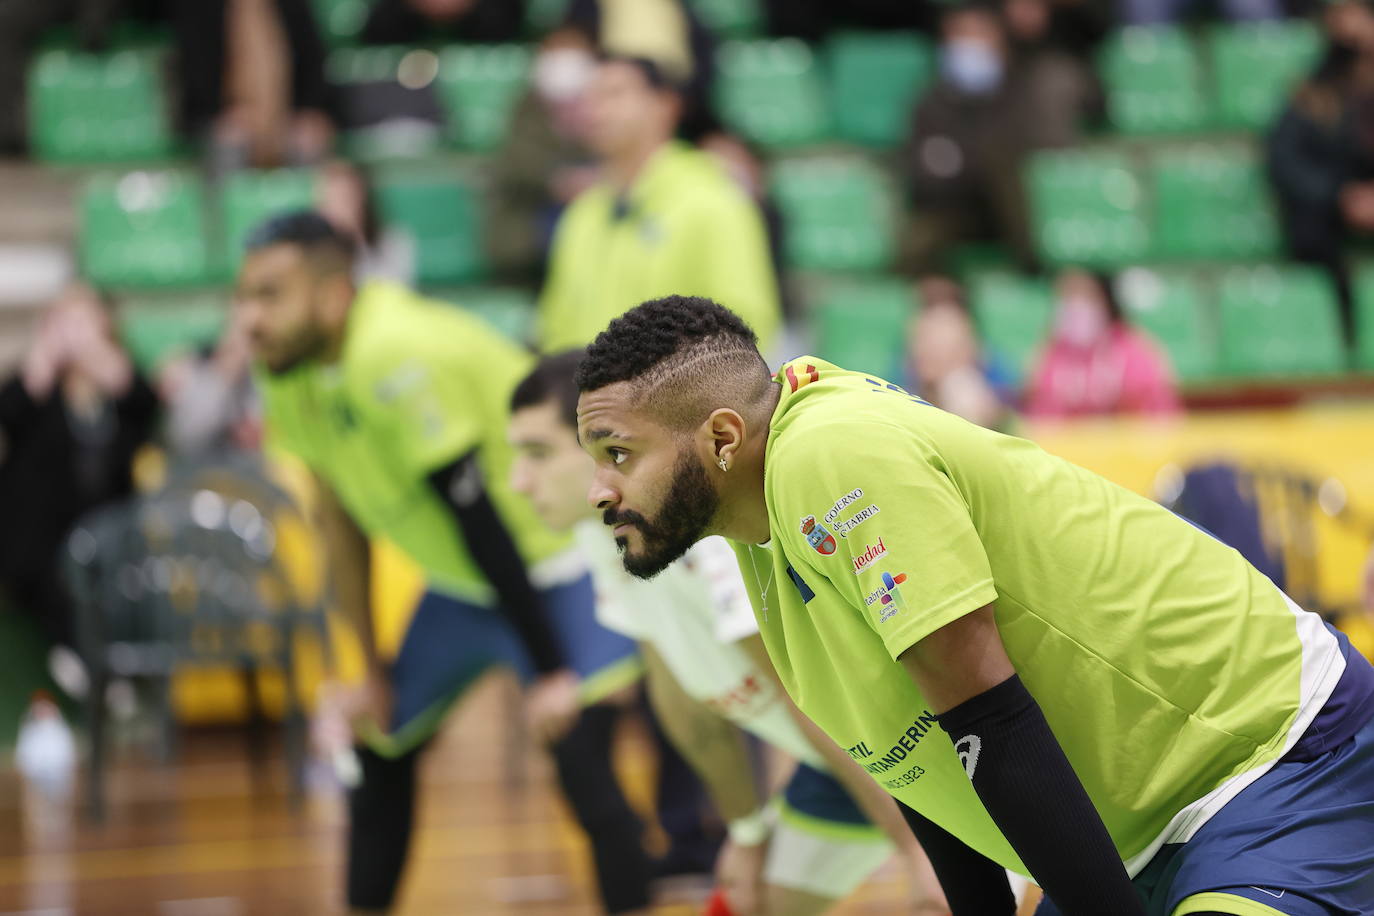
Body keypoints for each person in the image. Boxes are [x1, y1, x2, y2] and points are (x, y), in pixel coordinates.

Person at [571, 294, 1374, 916]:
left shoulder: (829, 453)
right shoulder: (758, 532)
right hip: (1141, 824)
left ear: (719, 437)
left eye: (618, 454)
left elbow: (989, 718)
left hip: (1271, 758)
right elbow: (918, 755)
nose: (598, 490)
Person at [236, 211, 651, 914]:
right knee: (380, 744)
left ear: (335, 295)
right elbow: (337, 524)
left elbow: (480, 522)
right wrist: (365, 668)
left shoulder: (394, 352)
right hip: (462, 588)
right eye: (244, 295)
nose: (249, 318)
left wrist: (550, 670)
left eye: (270, 295)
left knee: (585, 775)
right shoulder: (285, 368)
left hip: (554, 573)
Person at [506, 351, 950, 916]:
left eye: (537, 455)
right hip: (840, 769)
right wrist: (745, 830)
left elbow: (808, 699)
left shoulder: (704, 536)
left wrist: (915, 849)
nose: (517, 482)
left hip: (932, 758)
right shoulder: (602, 540)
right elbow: (681, 701)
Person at [538, 55, 780, 354]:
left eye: (614, 93)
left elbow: (745, 325)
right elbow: (556, 329)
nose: (596, 110)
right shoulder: (582, 213)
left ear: (666, 106)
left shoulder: (714, 199)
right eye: (590, 97)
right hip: (590, 397)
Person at [0, 282, 159, 682]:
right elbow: (9, 414)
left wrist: (101, 359)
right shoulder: (38, 388)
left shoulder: (118, 388)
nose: (73, 331)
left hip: (110, 530)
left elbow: (148, 406)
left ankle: (99, 667)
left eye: (82, 320)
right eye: (63, 321)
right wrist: (44, 362)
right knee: (51, 570)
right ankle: (89, 663)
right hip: (42, 538)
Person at [900, 2, 1094, 274]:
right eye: (958, 35)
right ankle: (935, 298)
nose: (968, 45)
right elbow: (924, 176)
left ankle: (1042, 277)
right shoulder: (931, 103)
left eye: (977, 33)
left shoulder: (1024, 90)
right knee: (920, 235)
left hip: (1013, 207)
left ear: (1000, 38)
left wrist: (970, 162)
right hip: (960, 209)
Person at [1266, 0, 1374, 341]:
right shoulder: (1316, 90)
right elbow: (1284, 157)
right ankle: (1337, 337)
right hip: (1335, 208)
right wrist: (1340, 195)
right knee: (1308, 231)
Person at [1024, 269, 1181, 419]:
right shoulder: (1051, 353)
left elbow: (1156, 411)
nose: (1075, 304)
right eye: (1067, 295)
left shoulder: (1134, 348)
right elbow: (1042, 416)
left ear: (1106, 298)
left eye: (1085, 294)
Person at [907, 276, 1015, 431]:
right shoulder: (906, 385)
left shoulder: (969, 397)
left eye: (937, 340)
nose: (923, 350)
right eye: (920, 338)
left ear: (968, 349)